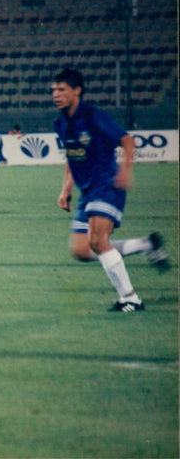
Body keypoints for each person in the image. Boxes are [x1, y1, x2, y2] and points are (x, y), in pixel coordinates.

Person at [52, 68, 169, 312]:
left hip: (106, 184)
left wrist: (125, 170)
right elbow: (72, 157)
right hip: (87, 192)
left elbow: (127, 140)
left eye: (62, 89)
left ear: (77, 91)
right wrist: (66, 189)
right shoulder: (61, 123)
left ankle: (130, 298)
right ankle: (147, 244)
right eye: (54, 90)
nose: (56, 94)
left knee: (97, 240)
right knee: (82, 250)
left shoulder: (93, 116)